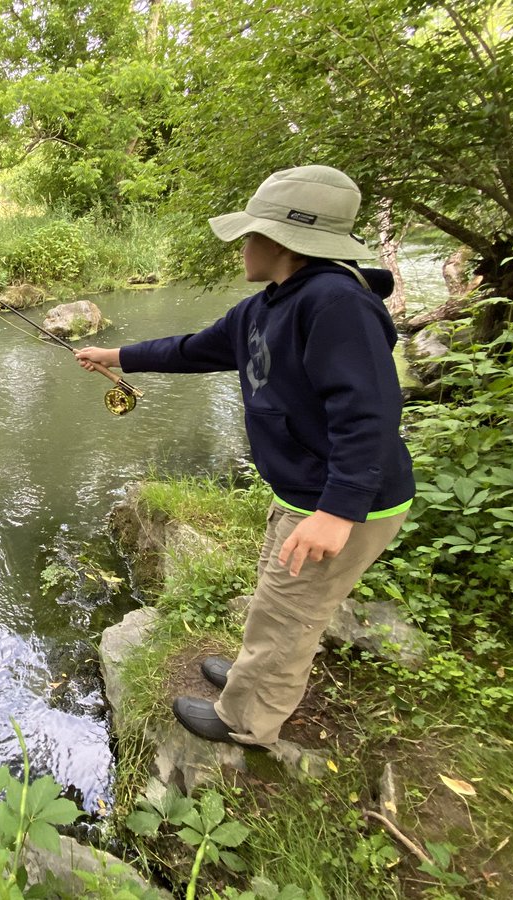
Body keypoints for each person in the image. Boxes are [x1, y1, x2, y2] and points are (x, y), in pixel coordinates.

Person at [75, 165, 414, 749]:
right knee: (274, 594)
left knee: (289, 616)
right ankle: (248, 676)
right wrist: (118, 354)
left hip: (341, 502)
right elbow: (193, 349)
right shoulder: (267, 305)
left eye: (249, 234)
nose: (241, 246)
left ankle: (247, 721)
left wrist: (337, 511)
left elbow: (370, 415)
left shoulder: (336, 305)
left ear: (282, 241)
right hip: (303, 491)